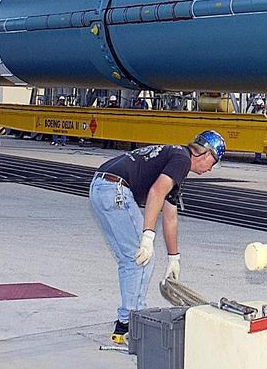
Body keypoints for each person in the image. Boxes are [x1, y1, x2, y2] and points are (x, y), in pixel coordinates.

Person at [90, 131, 226, 343]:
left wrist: (174, 258)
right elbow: (155, 193)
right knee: (142, 260)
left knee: (130, 260)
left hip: (100, 187)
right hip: (116, 189)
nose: (209, 169)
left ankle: (123, 326)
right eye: (213, 163)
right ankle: (132, 324)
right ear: (206, 154)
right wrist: (147, 237)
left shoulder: (174, 160)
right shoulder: (181, 159)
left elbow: (170, 216)